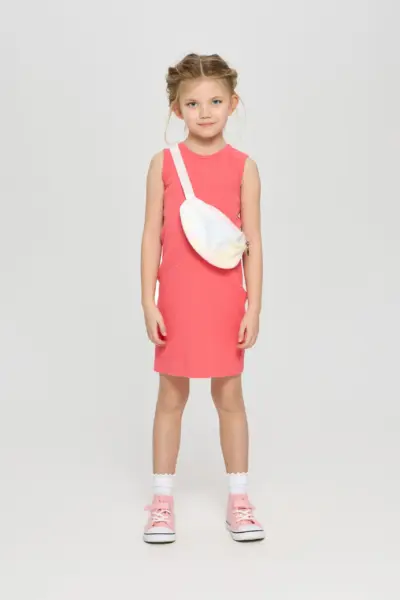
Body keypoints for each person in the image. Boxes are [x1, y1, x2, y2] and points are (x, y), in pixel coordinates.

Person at [140, 53, 264, 543]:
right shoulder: (163, 164)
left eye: (215, 101)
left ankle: (239, 499)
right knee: (171, 396)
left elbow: (253, 240)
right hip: (176, 299)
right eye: (193, 103)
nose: (205, 112)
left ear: (233, 104)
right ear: (177, 109)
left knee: (229, 395)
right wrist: (148, 300)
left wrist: (255, 305)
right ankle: (161, 501)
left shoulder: (244, 168)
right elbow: (151, 235)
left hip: (224, 301)